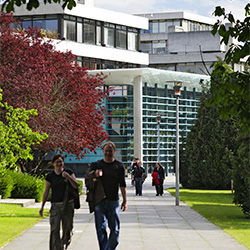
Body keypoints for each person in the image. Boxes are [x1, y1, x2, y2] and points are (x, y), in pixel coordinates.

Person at [85, 141, 127, 250]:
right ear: (103, 151)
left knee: (115, 229)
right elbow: (87, 179)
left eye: (110, 151)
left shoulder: (119, 166)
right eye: (106, 151)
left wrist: (125, 200)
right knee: (100, 228)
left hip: (113, 201)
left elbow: (122, 184)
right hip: (100, 201)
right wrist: (95, 174)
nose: (108, 153)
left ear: (114, 151)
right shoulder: (97, 165)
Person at [39, 154, 78, 250]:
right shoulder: (50, 176)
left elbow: (76, 186)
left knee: (67, 229)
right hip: (55, 206)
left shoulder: (69, 172)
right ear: (53, 164)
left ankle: (64, 244)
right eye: (57, 162)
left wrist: (68, 177)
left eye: (61, 161)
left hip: (68, 205)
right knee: (54, 229)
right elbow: (46, 191)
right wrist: (42, 206)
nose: (59, 164)